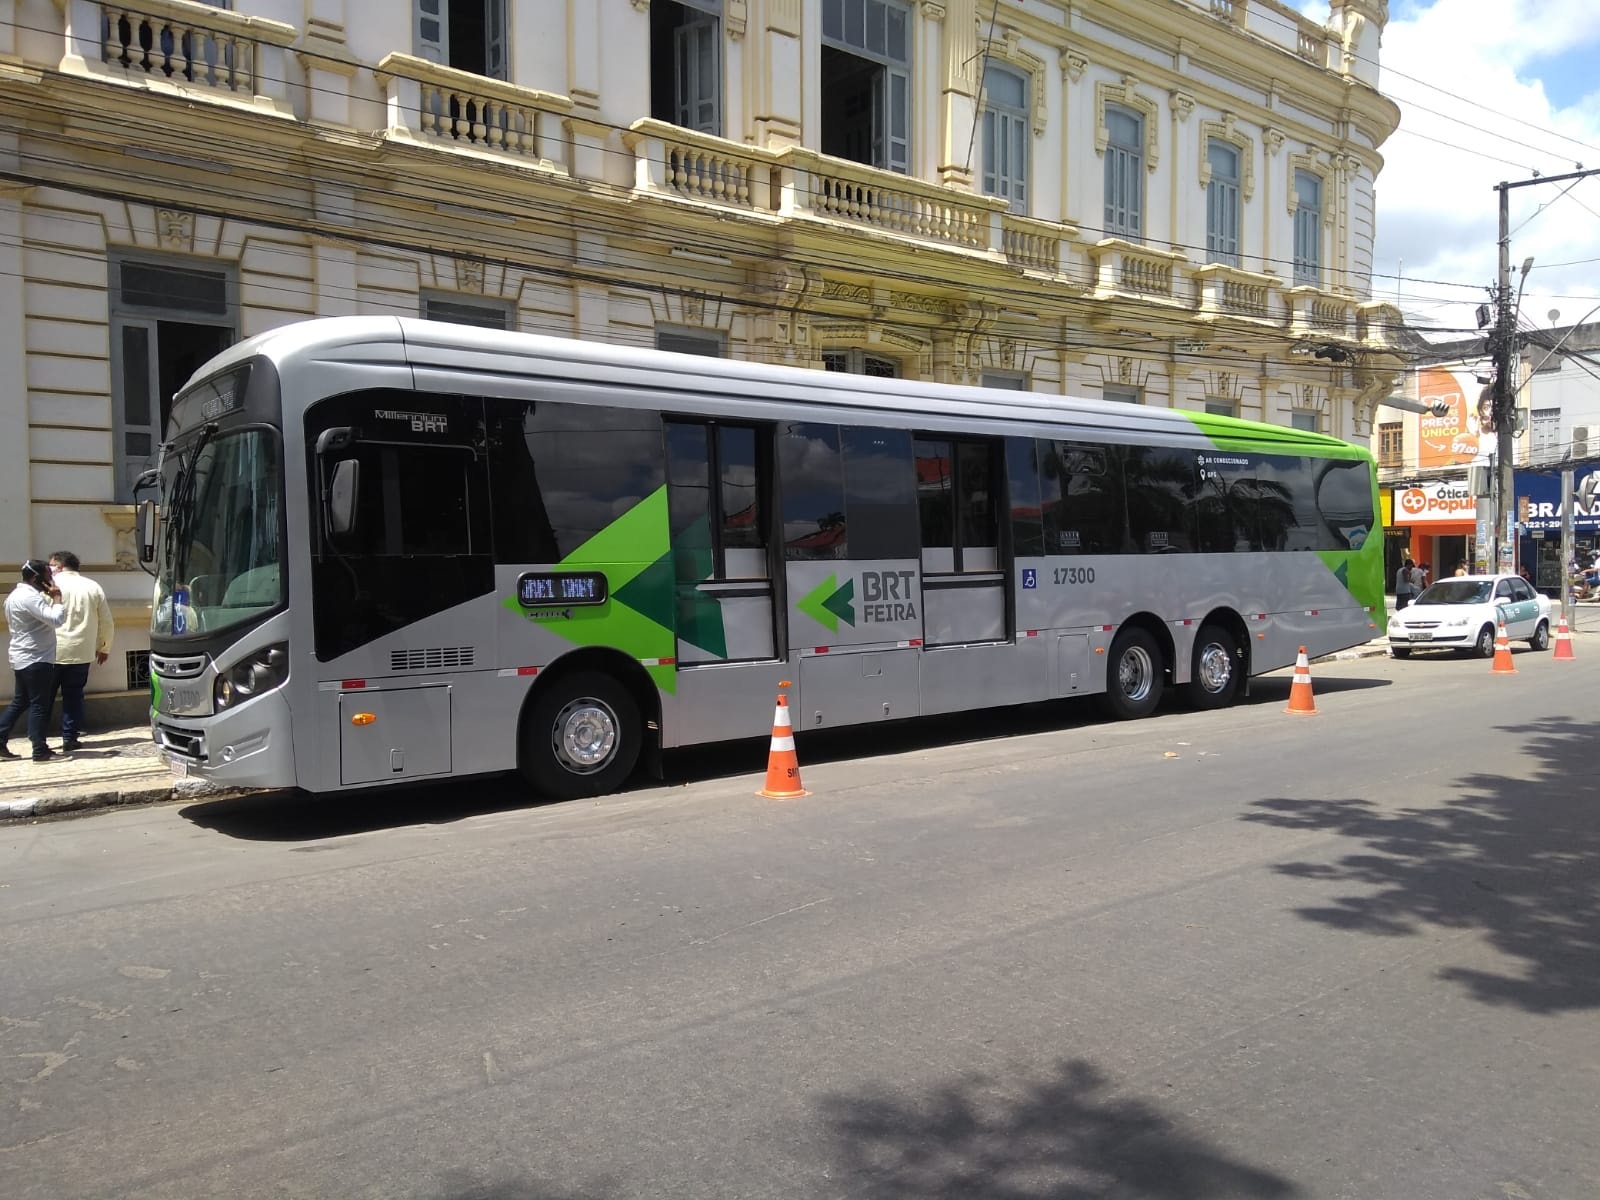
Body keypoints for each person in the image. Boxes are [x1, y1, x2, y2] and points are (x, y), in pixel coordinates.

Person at [0, 560, 66, 762]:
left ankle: (0, 738)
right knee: (39, 704)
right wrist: (57, 598)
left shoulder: (15, 596)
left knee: (21, 701)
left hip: (23, 657)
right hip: (36, 658)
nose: (51, 579)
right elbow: (56, 620)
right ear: (37, 578)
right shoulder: (29, 597)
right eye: (48, 576)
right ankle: (39, 749)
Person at [47, 551, 113, 753]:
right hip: (81, 651)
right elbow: (106, 621)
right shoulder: (92, 586)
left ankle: (38, 739)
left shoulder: (48, 586)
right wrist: (104, 647)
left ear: (59, 566)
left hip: (50, 651)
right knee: (74, 697)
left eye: (51, 565)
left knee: (43, 698)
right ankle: (70, 738)